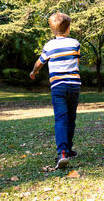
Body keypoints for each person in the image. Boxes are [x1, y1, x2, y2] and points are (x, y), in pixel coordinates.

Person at [29, 12, 81, 169]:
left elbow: (40, 62)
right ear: (68, 28)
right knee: (71, 118)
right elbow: (76, 61)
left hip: (58, 86)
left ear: (52, 29)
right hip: (74, 86)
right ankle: (68, 149)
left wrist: (34, 72)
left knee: (61, 119)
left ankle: (63, 153)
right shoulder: (75, 43)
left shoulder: (49, 46)